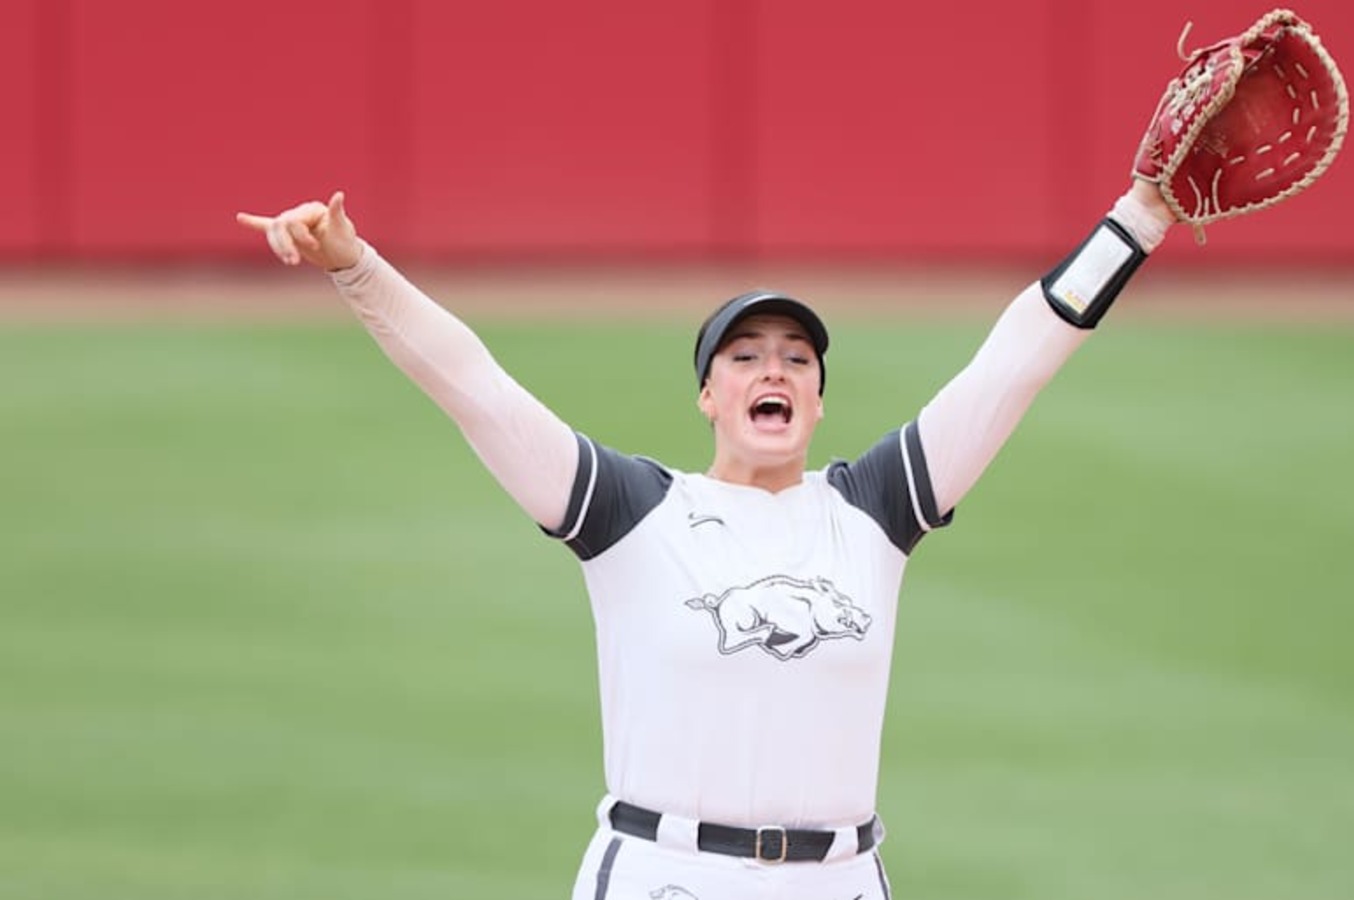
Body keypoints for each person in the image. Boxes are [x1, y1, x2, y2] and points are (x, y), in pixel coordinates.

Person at [236, 172, 1176, 898]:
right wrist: (356, 267)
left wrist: (1137, 218)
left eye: (797, 359)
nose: (775, 369)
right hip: (664, 874)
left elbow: (1014, 361)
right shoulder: (636, 514)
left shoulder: (874, 512)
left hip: (842, 880)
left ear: (816, 397)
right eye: (745, 356)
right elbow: (476, 388)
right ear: (708, 394)